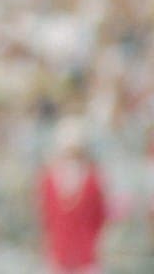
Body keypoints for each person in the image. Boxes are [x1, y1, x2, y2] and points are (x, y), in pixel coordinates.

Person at [37, 117, 109, 274]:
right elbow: (46, 216)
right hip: (59, 254)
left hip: (85, 256)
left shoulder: (93, 179)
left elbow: (100, 216)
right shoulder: (49, 179)